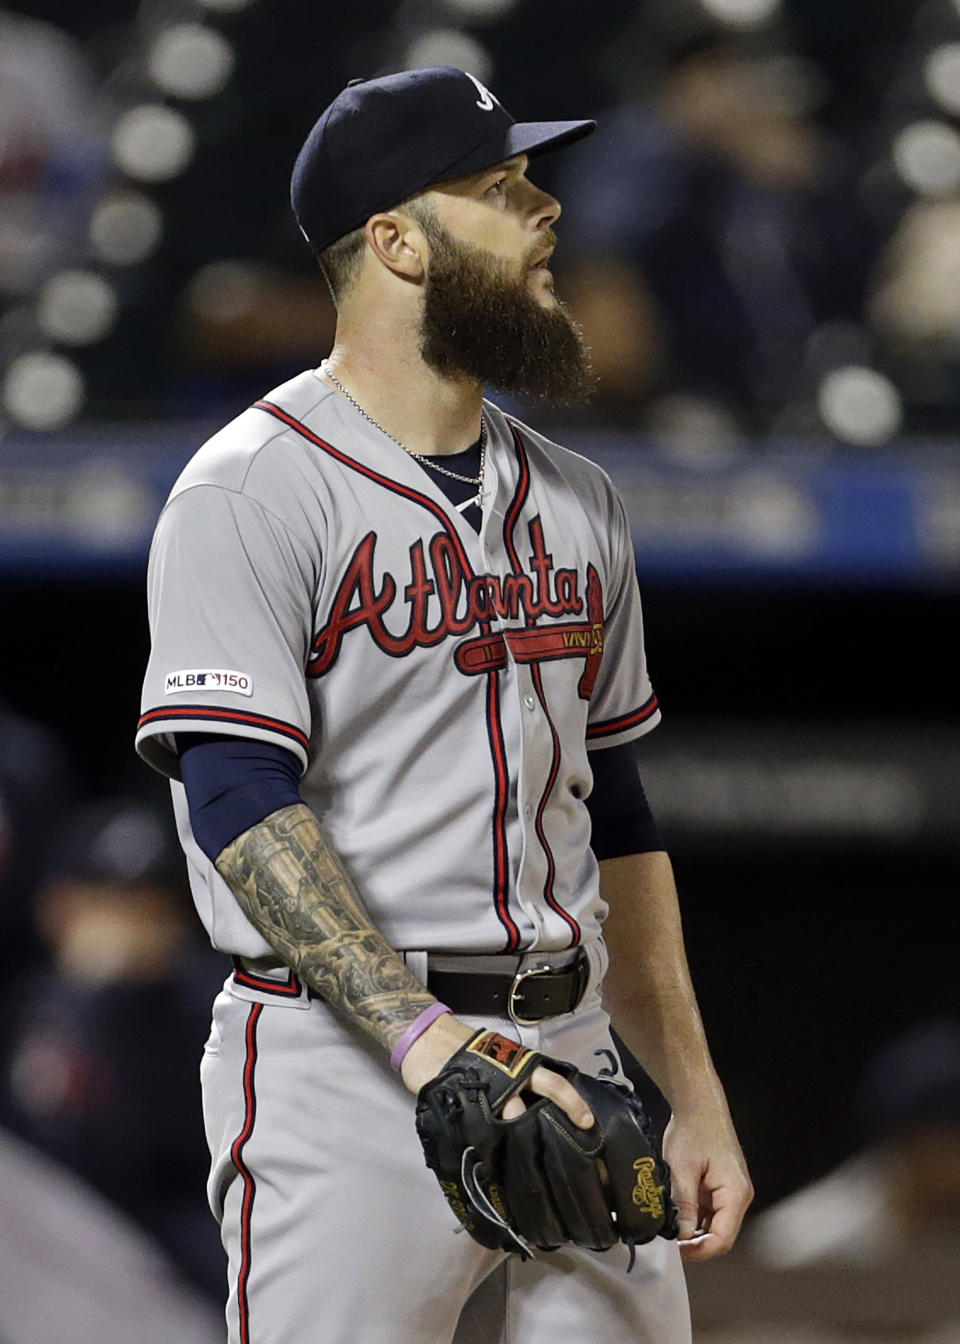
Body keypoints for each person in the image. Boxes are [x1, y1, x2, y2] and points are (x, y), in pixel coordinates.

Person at [136, 65, 752, 1344]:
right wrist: (425, 1047)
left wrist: (691, 1091)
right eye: (499, 187)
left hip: (573, 1045)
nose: (547, 212)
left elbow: (617, 815)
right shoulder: (249, 489)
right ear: (396, 243)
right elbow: (238, 800)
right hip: (345, 1069)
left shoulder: (579, 499)